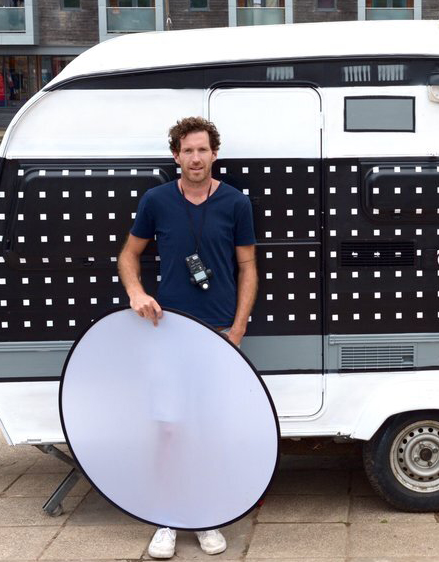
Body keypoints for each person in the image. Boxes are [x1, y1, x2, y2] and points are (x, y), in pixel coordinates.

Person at [118, 116, 257, 559]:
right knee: (170, 427)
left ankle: (207, 515)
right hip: (169, 332)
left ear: (214, 154)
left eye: (202, 149)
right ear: (175, 156)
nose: (195, 158)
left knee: (208, 429)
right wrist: (137, 292)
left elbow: (248, 268)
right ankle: (167, 517)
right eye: (187, 150)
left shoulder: (236, 203)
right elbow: (128, 255)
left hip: (218, 334)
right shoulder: (156, 200)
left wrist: (237, 328)